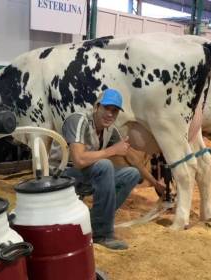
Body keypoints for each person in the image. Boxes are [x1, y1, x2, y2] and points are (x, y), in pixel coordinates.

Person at [59, 88, 165, 250]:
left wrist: (155, 183)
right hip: (61, 176)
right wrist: (113, 150)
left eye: (114, 111)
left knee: (132, 174)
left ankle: (96, 222)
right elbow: (79, 160)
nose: (110, 114)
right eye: (106, 108)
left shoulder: (109, 130)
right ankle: (103, 234)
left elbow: (132, 158)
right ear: (96, 107)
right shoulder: (79, 120)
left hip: (84, 176)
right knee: (104, 165)